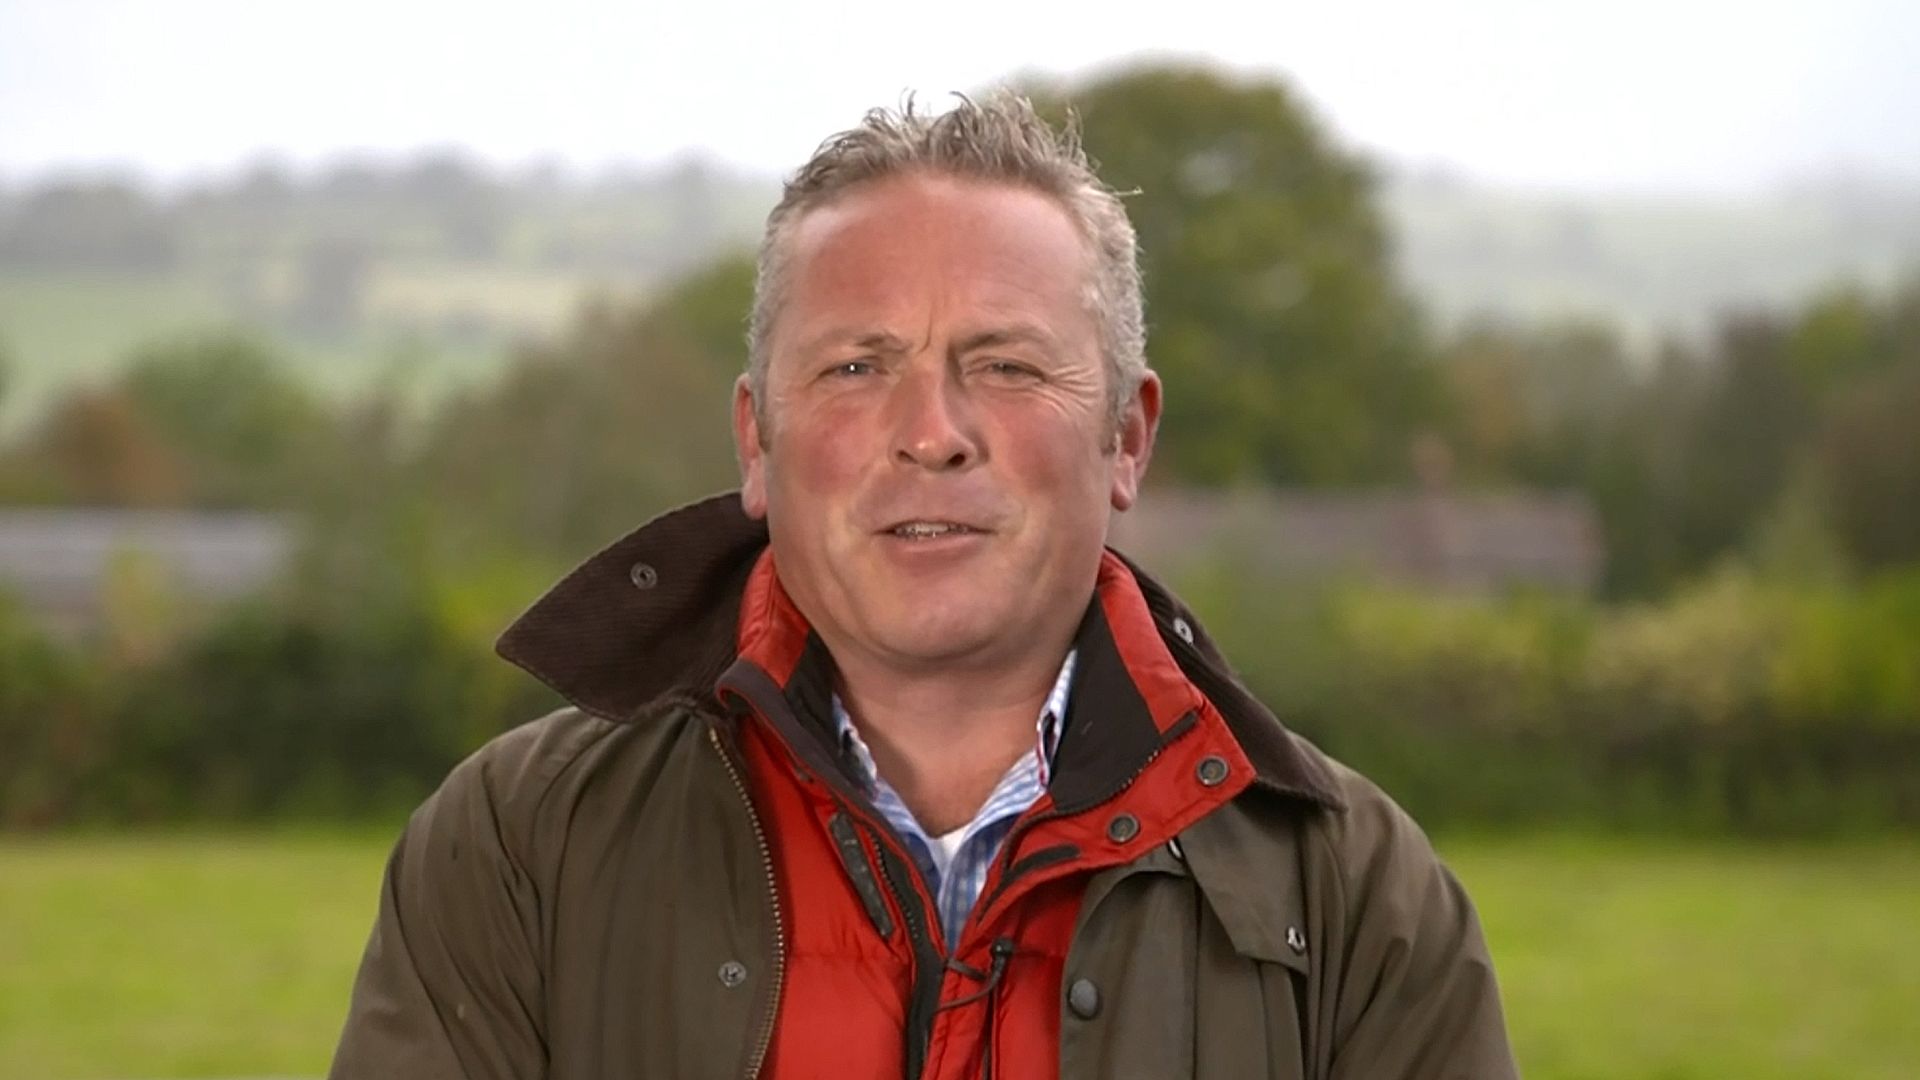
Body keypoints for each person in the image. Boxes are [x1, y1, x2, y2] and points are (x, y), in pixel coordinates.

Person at [330, 94, 1517, 1079]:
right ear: (756, 442)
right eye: (857, 366)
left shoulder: (1359, 896)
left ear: (1126, 439)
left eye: (1003, 365)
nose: (933, 433)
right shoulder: (516, 850)